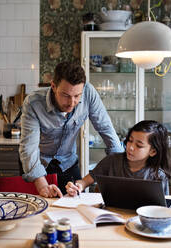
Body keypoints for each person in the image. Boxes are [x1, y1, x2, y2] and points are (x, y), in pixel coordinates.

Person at [19, 61, 124, 198]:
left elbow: (106, 128)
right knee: (37, 210)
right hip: (37, 163)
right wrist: (43, 186)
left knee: (75, 204)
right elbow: (29, 149)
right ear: (53, 86)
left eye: (77, 96)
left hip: (67, 162)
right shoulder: (33, 103)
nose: (72, 102)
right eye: (66, 95)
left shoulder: (89, 93)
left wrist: (121, 164)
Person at [66, 120, 171, 196]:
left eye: (139, 145)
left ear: (153, 151)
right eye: (130, 140)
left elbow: (161, 208)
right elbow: (85, 181)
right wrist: (78, 186)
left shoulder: (158, 176)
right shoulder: (112, 161)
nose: (130, 147)